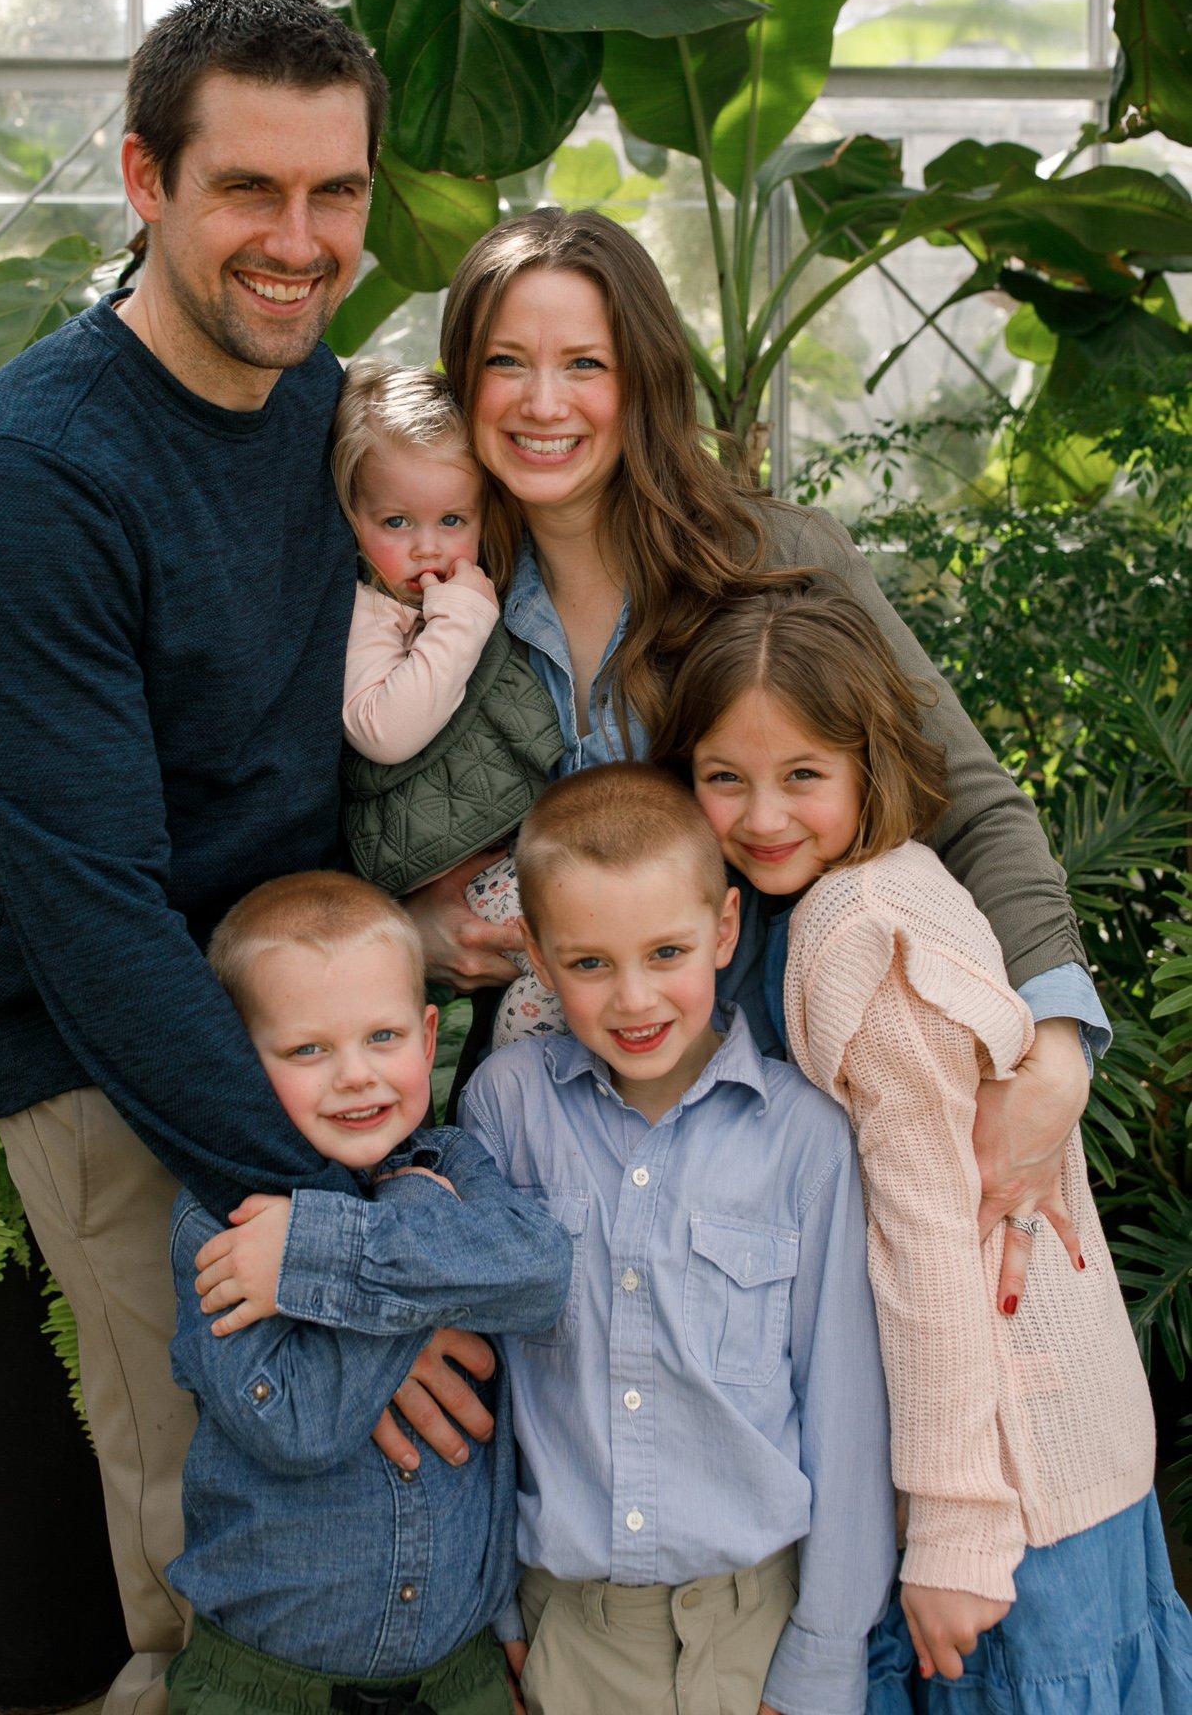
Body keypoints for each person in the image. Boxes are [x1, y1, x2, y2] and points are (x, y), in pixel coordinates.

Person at [0, 0, 490, 1715]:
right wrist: (355, 1244)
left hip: (316, 1025)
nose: (299, 243)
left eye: (336, 196)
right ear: (145, 180)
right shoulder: (34, 478)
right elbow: (87, 918)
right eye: (250, 189)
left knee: (387, 1517)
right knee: (219, 1544)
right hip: (123, 1067)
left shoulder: (323, 407)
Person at [417, 207, 1110, 1317]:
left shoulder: (774, 565)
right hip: (536, 1168)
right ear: (464, 383)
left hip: (784, 1142)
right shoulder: (430, 603)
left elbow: (969, 802)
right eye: (507, 363)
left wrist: (1060, 1048)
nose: (543, 403)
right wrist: (414, 937)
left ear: (641, 377)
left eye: (583, 364)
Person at [658, 580, 1192, 1712]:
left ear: (870, 764)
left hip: (1011, 1484)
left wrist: (953, 1532)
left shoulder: (863, 941)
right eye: (723, 778)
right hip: (1044, 1445)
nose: (762, 816)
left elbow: (931, 1246)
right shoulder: (864, 889)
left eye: (803, 775)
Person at [458, 764, 897, 1715]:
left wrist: (822, 1656)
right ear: (535, 955)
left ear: (724, 931)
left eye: (666, 952)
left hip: (758, 1625)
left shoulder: (805, 1138)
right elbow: (484, 1369)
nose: (632, 1000)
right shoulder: (506, 1108)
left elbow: (844, 1409)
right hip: (570, 1627)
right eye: (588, 964)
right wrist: (500, 1611)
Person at [163, 871, 572, 1715]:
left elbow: (538, 1274)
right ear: (240, 1060)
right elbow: (300, 1422)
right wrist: (428, 1263)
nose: (355, 1076)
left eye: (381, 1037)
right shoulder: (222, 1226)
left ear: (428, 1039)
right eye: (308, 1049)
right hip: (268, 1686)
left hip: (456, 1680)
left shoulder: (449, 1164)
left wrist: (317, 1255)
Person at [332, 360, 561, 982]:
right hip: (431, 863)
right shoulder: (371, 607)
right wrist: (461, 620)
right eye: (396, 522)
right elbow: (383, 731)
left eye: (452, 521)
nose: (427, 548)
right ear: (353, 516)